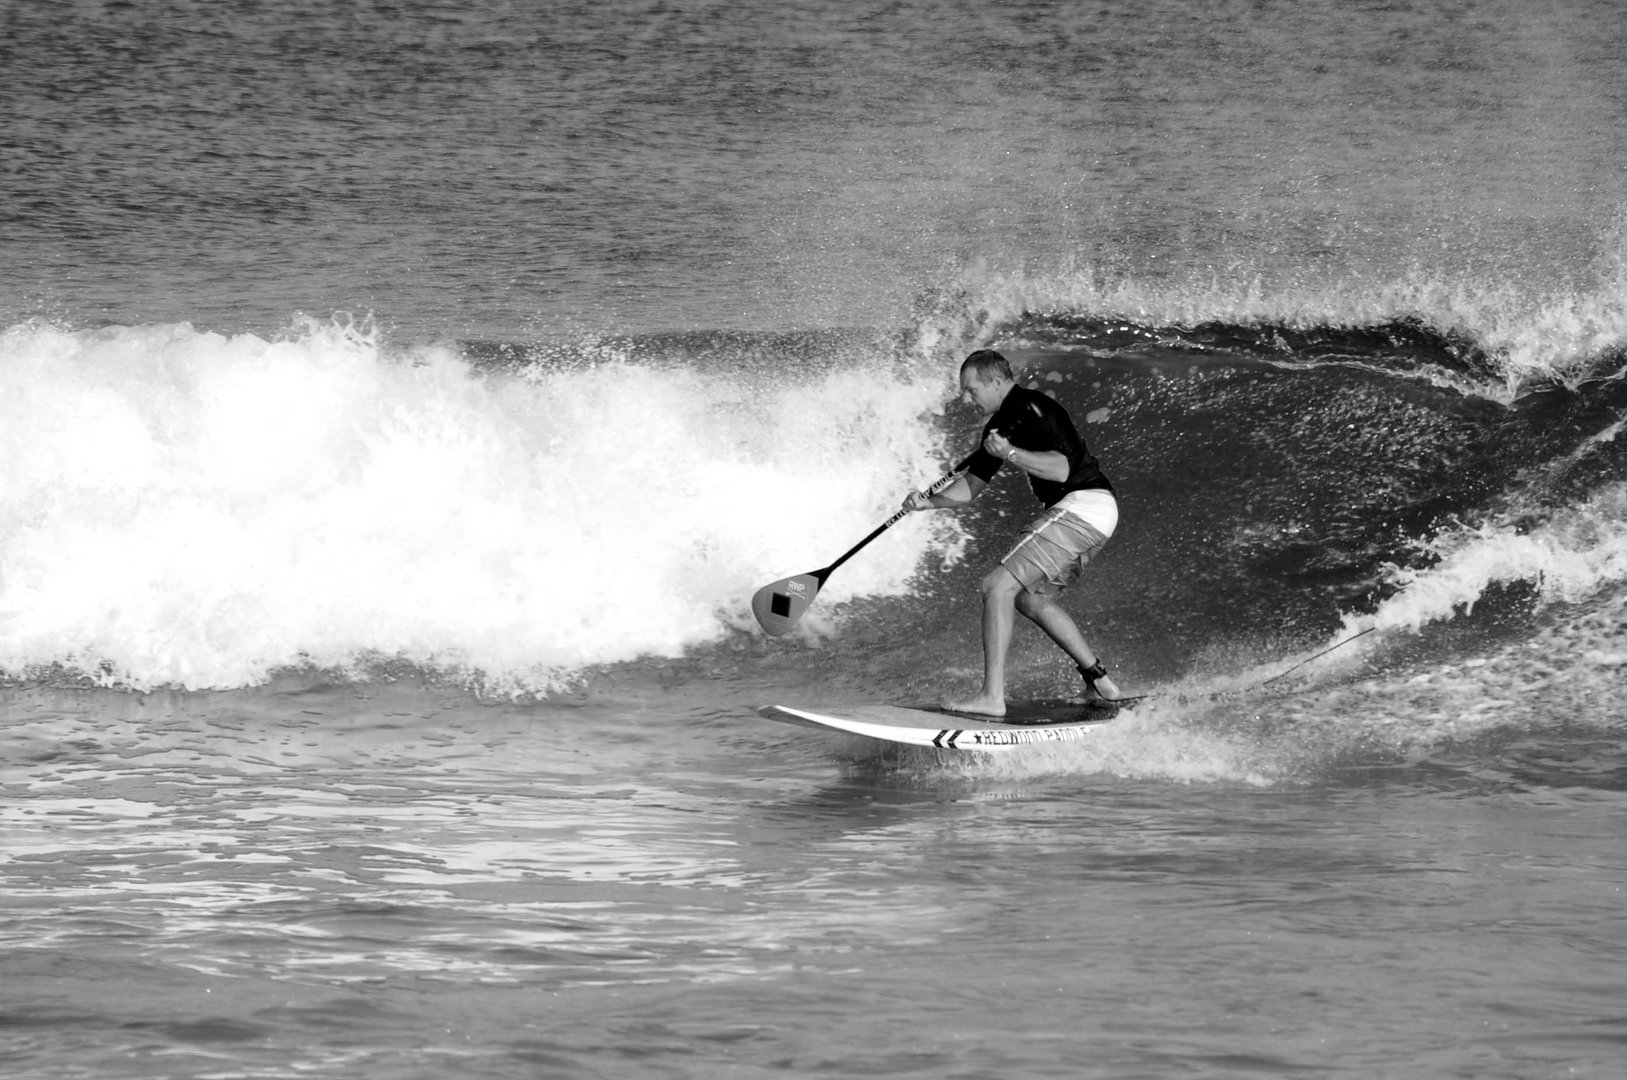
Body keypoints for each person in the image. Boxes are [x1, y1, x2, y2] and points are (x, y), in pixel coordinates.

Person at [903, 349, 1124, 717]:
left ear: (995, 381)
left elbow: (1060, 471)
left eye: (972, 389)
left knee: (996, 587)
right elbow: (972, 485)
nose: (966, 398)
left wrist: (1011, 454)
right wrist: (931, 502)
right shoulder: (997, 427)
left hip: (1083, 505)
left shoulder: (1030, 409)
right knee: (1030, 600)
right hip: (1093, 515)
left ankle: (992, 697)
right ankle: (1099, 680)